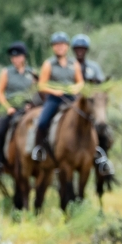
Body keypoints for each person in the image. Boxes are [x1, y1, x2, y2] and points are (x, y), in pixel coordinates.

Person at [32, 32, 84, 160]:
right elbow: (41, 85)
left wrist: (74, 88)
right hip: (54, 99)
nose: (60, 47)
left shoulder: (74, 63)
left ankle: (95, 150)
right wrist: (55, 91)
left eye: (62, 45)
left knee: (90, 118)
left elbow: (81, 82)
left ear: (67, 46)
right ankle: (39, 148)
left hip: (72, 99)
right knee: (42, 122)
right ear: (53, 47)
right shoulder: (48, 64)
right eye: (57, 45)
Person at [0, 41, 36, 170]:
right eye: (13, 57)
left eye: (18, 56)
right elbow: (0, 93)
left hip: (28, 108)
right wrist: (8, 108)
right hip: (11, 108)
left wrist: (31, 104)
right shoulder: (6, 72)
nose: (15, 59)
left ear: (24, 57)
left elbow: (36, 91)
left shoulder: (32, 73)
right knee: (1, 131)